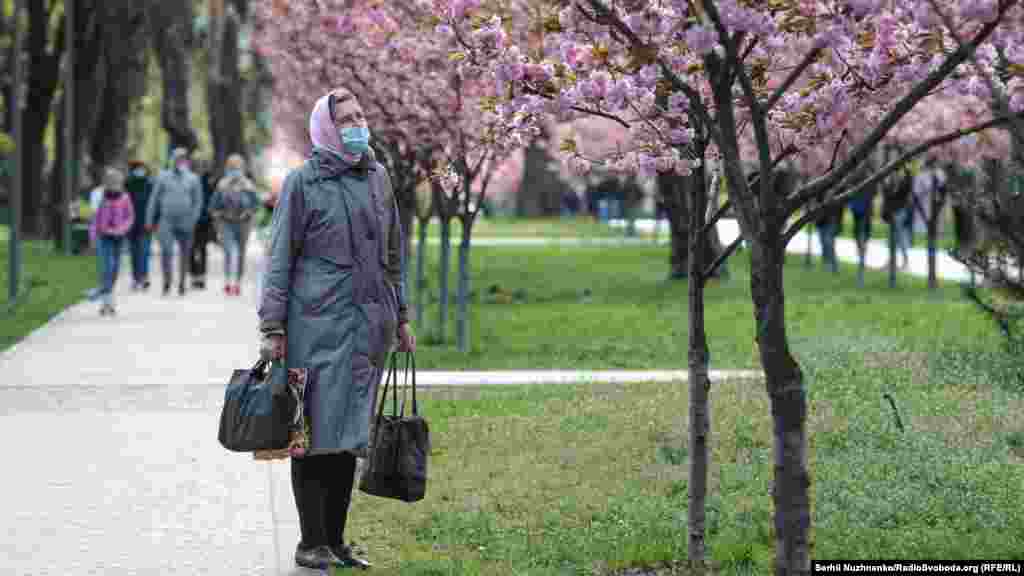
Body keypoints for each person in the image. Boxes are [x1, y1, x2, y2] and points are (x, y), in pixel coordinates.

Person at [258, 88, 416, 571]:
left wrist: (402, 315)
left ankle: (337, 540)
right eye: (345, 119)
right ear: (326, 128)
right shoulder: (302, 183)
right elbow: (280, 257)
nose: (357, 124)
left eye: (360, 115)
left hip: (367, 329)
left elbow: (393, 253)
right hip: (315, 328)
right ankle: (311, 541)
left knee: (349, 435)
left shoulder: (378, 178)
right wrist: (272, 325)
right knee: (312, 435)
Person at [145, 147, 203, 296]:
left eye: (182, 158)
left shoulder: (193, 178)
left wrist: (193, 218)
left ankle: (182, 283)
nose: (179, 161)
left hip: (185, 220)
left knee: (185, 252)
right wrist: (149, 219)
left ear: (186, 161)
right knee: (166, 250)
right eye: (177, 158)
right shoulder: (163, 177)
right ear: (172, 159)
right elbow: (154, 199)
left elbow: (198, 201)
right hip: (166, 220)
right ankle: (167, 281)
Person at [209, 154, 259, 296]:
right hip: (226, 223)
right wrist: (217, 217)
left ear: (242, 168)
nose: (235, 170)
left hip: (243, 223)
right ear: (227, 168)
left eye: (237, 167)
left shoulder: (248, 185)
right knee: (228, 251)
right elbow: (213, 205)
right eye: (232, 167)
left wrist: (249, 213)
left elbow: (256, 205)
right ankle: (227, 281)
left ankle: (237, 283)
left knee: (241, 252)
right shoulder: (222, 184)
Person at [93, 168, 135, 316]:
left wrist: (122, 229)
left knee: (115, 268)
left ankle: (107, 294)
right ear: (106, 182)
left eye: (116, 181)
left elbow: (130, 217)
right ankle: (107, 302)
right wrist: (93, 237)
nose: (114, 183)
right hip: (103, 237)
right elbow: (95, 218)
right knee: (107, 267)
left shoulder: (125, 198)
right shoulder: (100, 197)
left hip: (118, 237)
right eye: (111, 181)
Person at [189, 154, 217, 290]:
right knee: (191, 248)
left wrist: (212, 215)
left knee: (202, 248)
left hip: (205, 220)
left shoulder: (209, 180)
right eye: (198, 164)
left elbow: (213, 199)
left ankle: (201, 276)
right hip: (190, 219)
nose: (200, 167)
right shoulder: (189, 179)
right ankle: (194, 275)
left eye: (202, 164)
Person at [125, 160, 154, 291]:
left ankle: (144, 277)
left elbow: (154, 204)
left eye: (142, 168)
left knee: (144, 251)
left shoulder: (150, 184)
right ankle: (136, 278)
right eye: (137, 169)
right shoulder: (128, 184)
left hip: (146, 223)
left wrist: (154, 221)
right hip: (131, 224)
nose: (140, 171)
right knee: (134, 253)